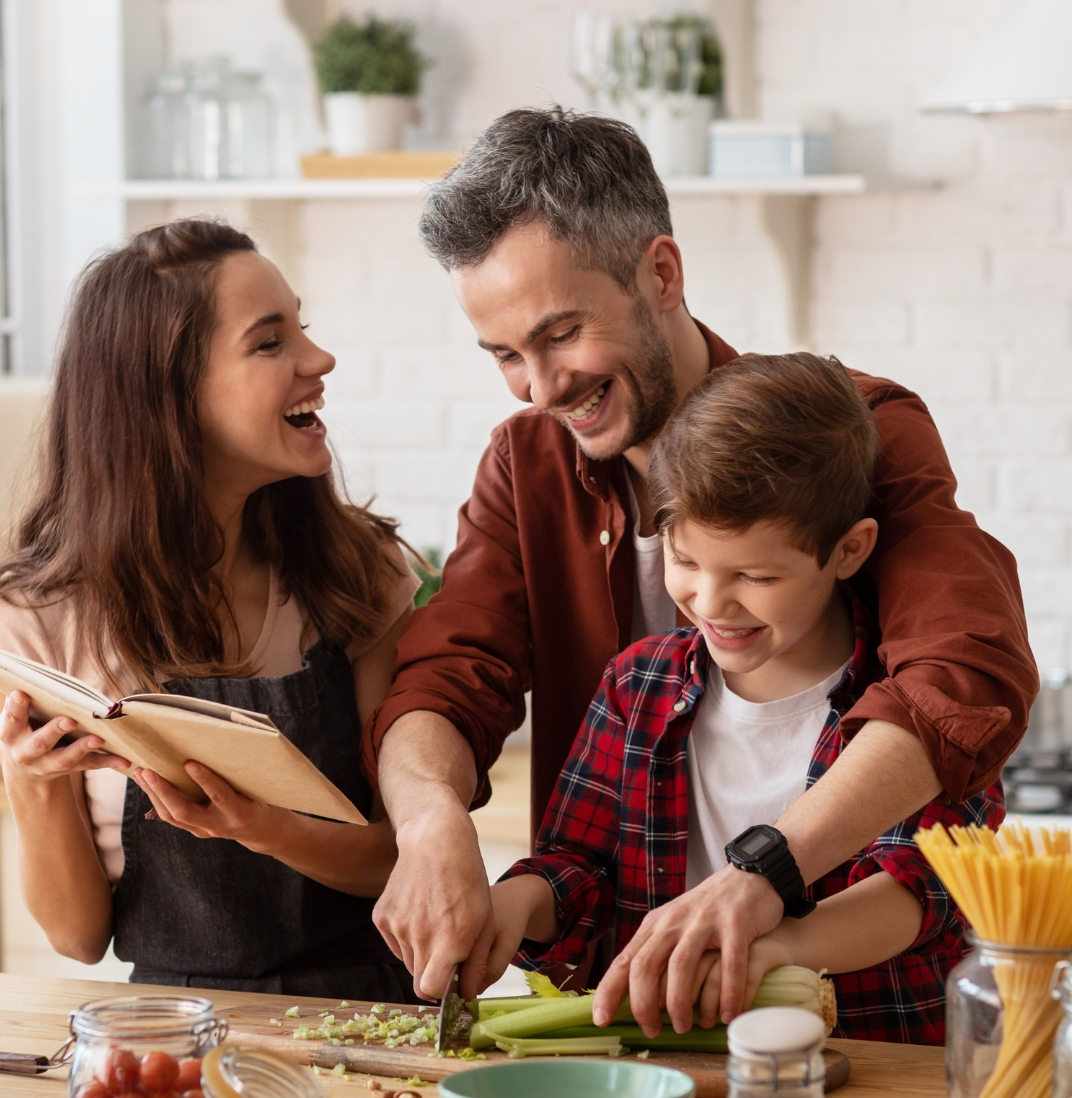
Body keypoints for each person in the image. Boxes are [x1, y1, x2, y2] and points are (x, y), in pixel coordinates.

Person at [364, 107, 1037, 1027]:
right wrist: (432, 821)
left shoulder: (856, 431)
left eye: (561, 334)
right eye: (506, 355)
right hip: (633, 1024)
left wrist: (764, 878)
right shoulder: (526, 465)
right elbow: (445, 682)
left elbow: (964, 672)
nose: (541, 387)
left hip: (861, 1020)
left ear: (662, 274)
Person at [0, 219, 421, 1001]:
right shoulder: (28, 629)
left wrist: (262, 827)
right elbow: (77, 937)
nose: (320, 360)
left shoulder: (358, 574)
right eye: (270, 343)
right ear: (168, 395)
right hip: (172, 1030)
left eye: (300, 328)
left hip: (368, 1011)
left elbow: (401, 859)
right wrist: (32, 783)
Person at [488, 352, 1002, 1043]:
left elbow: (924, 888)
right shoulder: (635, 686)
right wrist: (511, 905)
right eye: (685, 558)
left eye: (756, 575)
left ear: (849, 551)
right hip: (682, 1071)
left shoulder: (907, 705)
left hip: (878, 1066)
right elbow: (579, 871)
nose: (710, 600)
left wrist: (773, 949)